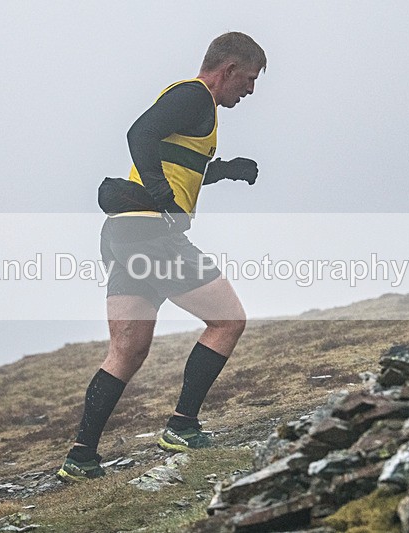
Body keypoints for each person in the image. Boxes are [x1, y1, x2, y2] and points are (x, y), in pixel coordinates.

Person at [57, 32, 266, 482]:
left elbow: (176, 160)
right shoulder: (195, 96)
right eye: (247, 80)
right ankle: (182, 425)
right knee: (228, 321)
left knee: (126, 351)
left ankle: (80, 457)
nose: (250, 90)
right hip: (152, 233)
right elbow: (140, 133)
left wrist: (225, 171)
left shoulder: (194, 107)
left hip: (122, 234)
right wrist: (158, 191)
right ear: (228, 70)